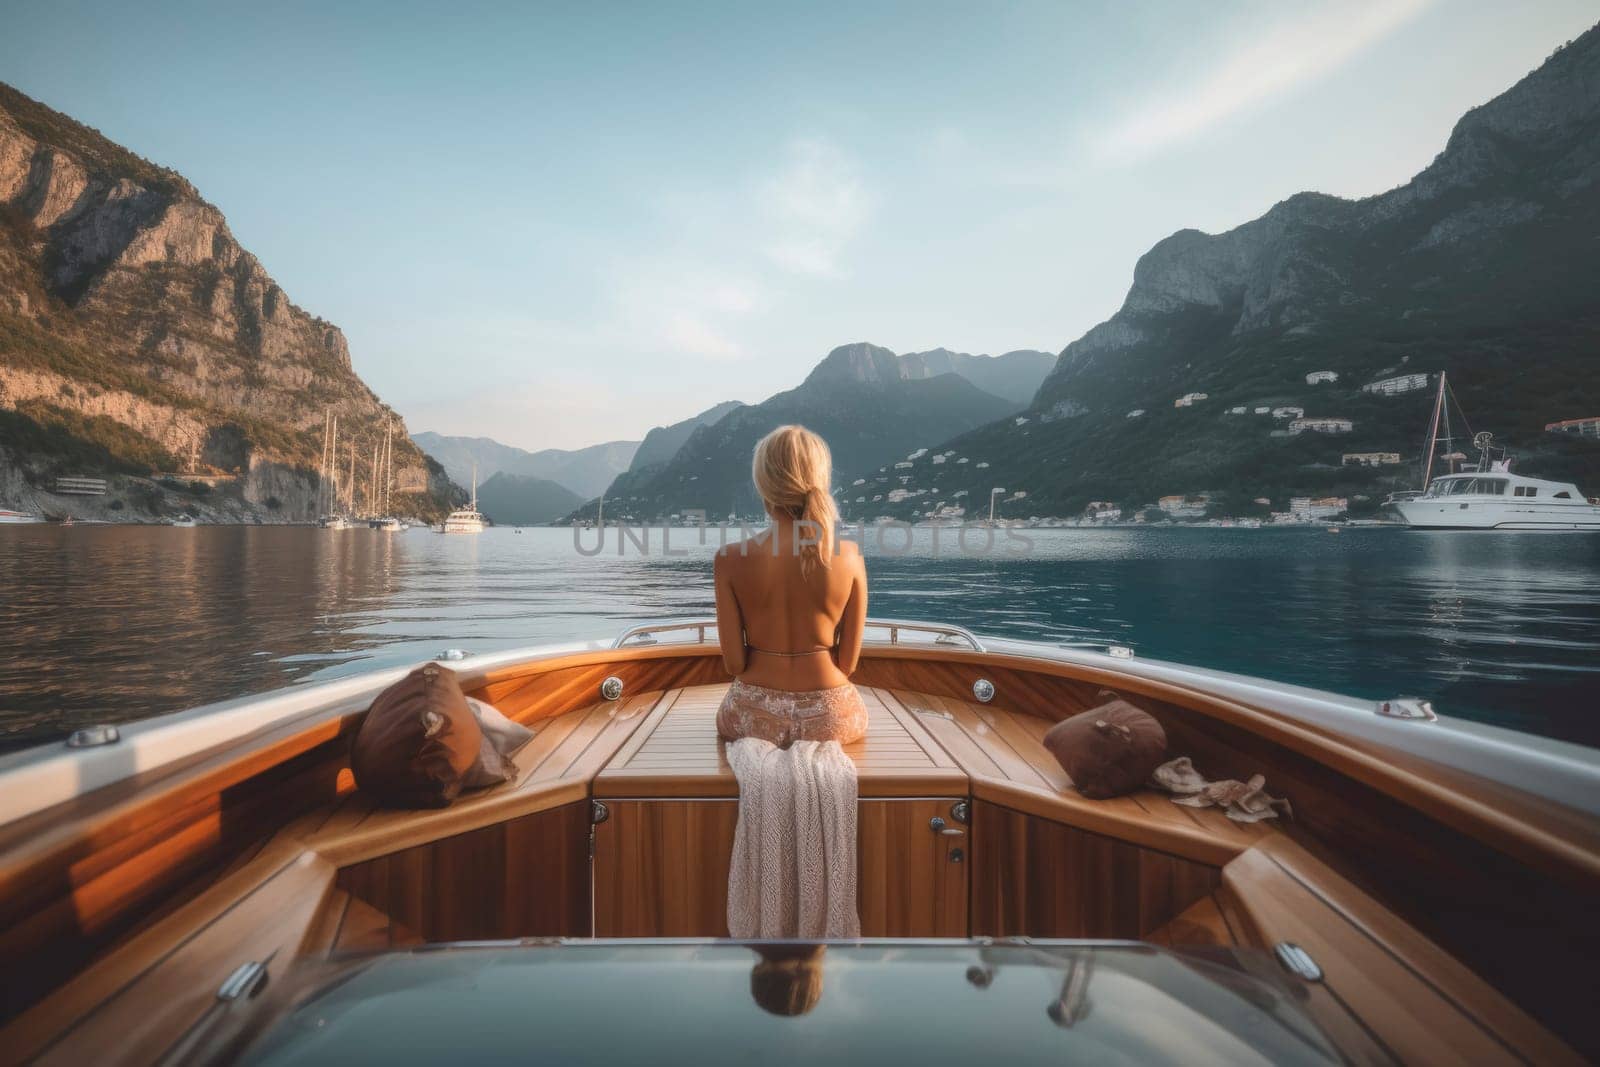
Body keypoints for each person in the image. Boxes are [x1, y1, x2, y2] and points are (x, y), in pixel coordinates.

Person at [714, 425, 868, 748]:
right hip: (831, 716)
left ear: (764, 484)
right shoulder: (850, 556)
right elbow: (848, 665)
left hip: (753, 717)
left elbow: (735, 665)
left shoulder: (729, 559)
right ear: (819, 479)